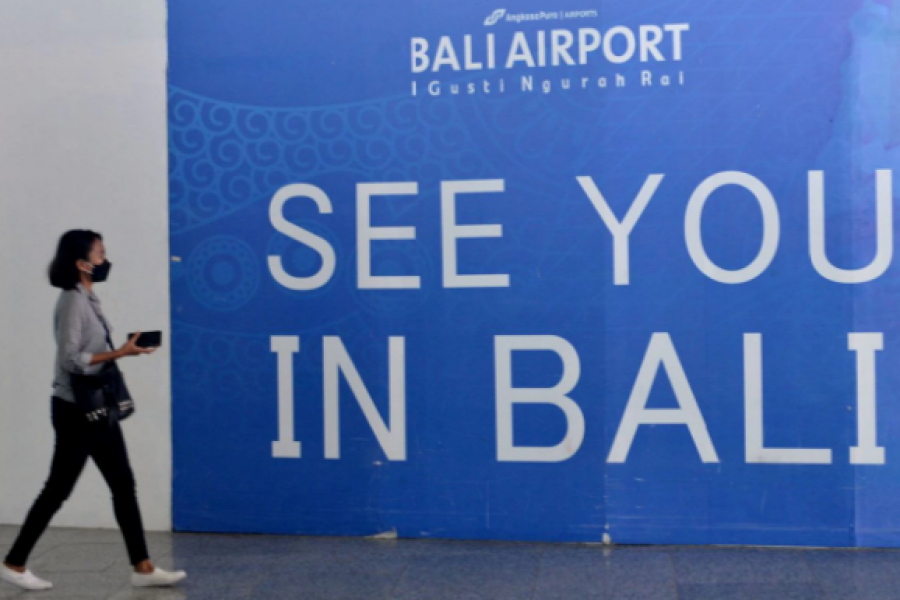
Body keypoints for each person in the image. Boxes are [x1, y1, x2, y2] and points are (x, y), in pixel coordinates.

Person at [0, 230, 186, 591]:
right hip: (76, 411)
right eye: (100, 254)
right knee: (58, 489)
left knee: (123, 484)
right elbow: (71, 359)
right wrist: (120, 353)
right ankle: (14, 562)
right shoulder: (72, 300)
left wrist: (124, 347)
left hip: (98, 408)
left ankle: (143, 568)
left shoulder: (88, 298)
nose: (105, 260)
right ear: (81, 263)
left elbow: (89, 351)